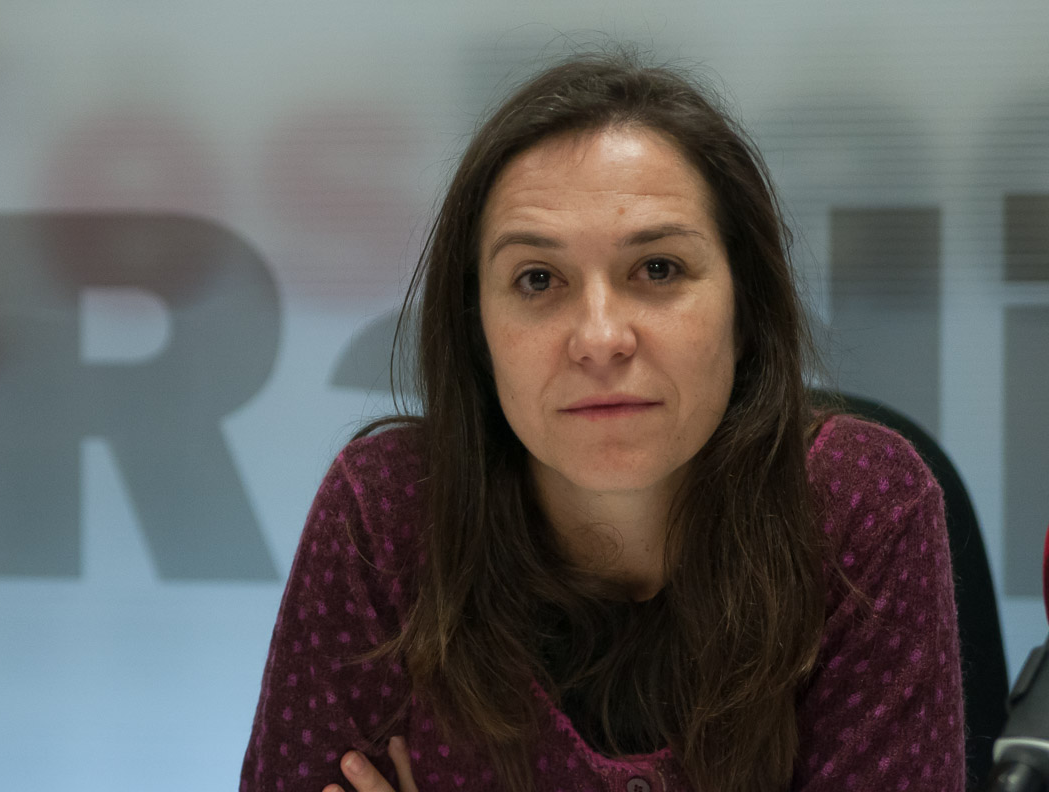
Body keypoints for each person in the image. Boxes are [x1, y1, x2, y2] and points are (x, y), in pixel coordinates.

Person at [239, 51, 965, 792]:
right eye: (538, 279)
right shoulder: (387, 512)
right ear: (478, 329)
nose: (599, 338)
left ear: (746, 310)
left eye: (658, 269)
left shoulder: (859, 506)